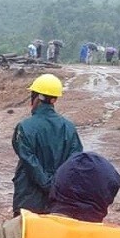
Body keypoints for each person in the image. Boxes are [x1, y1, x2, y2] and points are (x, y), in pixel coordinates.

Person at [11, 73, 82, 216]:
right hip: (58, 200)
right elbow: (75, 162)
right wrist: (55, 186)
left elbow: (29, 161)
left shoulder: (24, 127)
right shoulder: (69, 128)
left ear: (36, 97)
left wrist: (47, 184)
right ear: (54, 100)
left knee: (26, 236)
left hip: (29, 199)